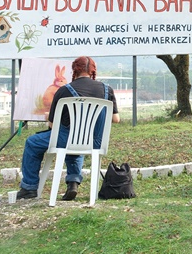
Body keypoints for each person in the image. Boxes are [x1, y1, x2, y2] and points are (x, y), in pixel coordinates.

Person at [16, 56, 120, 201]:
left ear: (74, 70)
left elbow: (52, 125)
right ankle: (73, 182)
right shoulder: (107, 90)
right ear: (92, 71)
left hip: (66, 140)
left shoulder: (64, 91)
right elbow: (116, 119)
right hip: (95, 142)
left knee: (33, 142)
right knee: (77, 140)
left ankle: (29, 187)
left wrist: (49, 116)